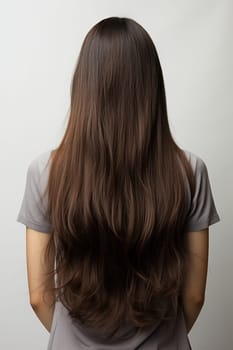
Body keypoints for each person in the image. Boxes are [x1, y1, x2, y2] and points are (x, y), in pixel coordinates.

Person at [16, 16, 220, 350]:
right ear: (152, 86)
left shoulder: (45, 172)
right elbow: (195, 296)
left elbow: (39, 297)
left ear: (84, 85)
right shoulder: (190, 171)